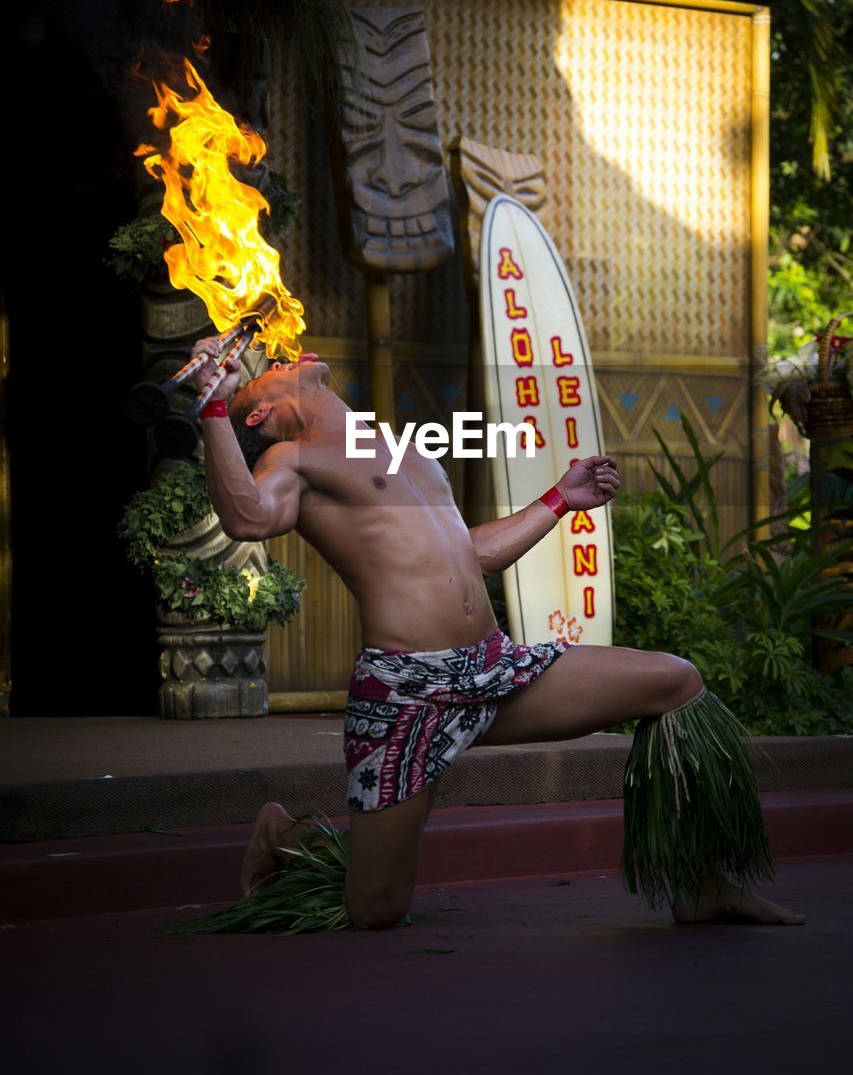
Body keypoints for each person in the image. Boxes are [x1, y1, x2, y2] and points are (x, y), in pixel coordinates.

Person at [188, 338, 804, 931]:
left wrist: (560, 499)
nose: (283, 354)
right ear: (264, 410)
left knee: (675, 681)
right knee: (376, 910)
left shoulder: (404, 449)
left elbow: (470, 555)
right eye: (268, 370)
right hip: (409, 694)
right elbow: (247, 517)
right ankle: (283, 834)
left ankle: (698, 885)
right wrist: (215, 404)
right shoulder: (289, 459)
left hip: (494, 669)